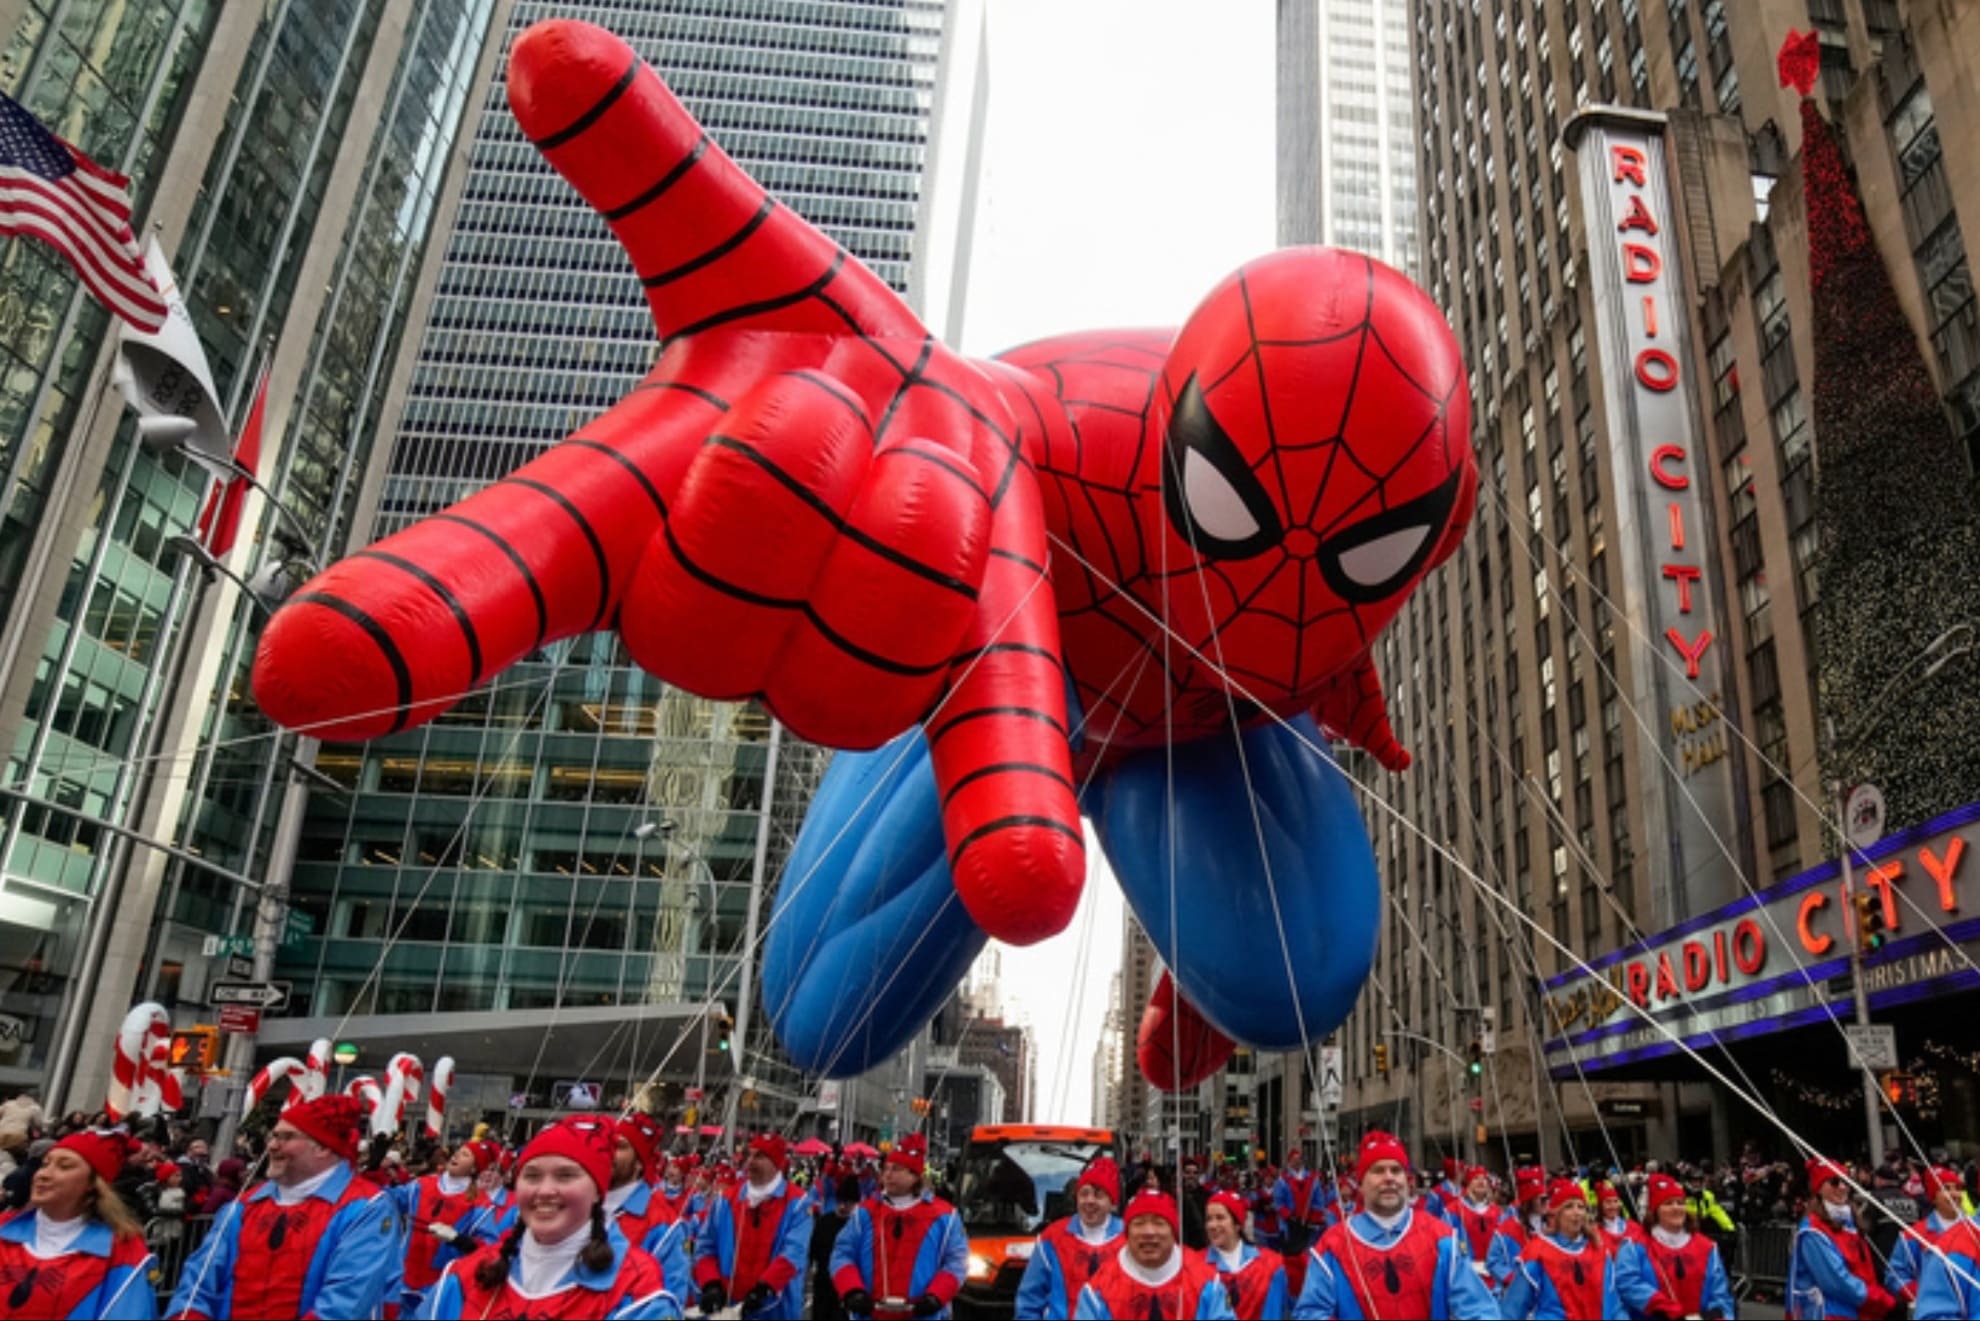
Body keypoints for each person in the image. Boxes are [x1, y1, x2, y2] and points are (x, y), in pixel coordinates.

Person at [417, 1115, 680, 1319]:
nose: (544, 1191)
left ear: (597, 1192)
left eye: (566, 1176)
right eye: (531, 1176)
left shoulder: (636, 1289)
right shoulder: (467, 1275)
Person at [167, 1094, 400, 1319]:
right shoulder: (245, 1204)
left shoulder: (366, 1207)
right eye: (273, 1136)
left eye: (286, 1137)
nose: (271, 1146)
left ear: (323, 1148)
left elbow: (345, 1301)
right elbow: (199, 1280)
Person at [1292, 1132, 1497, 1320]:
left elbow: (1479, 1309)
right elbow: (1310, 1313)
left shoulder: (1441, 1238)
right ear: (1361, 1183)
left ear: (1406, 1181)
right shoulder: (1331, 1247)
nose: (1389, 1178)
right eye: (1378, 1170)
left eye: (1396, 1170)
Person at [0, 1127, 157, 1319]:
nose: (43, 1175)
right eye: (45, 1164)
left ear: (93, 1184)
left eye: (64, 1166)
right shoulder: (4, 1227)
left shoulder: (122, 1249)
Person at [828, 1133, 967, 1319]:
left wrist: (937, 1295)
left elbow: (956, 1261)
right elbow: (842, 1253)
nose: (887, 1174)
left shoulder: (945, 1216)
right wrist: (852, 1290)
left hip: (921, 1314)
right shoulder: (864, 1213)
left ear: (914, 1175)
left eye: (897, 1169)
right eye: (886, 1168)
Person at [691, 1132, 811, 1319]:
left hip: (774, 1310)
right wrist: (710, 1283)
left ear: (776, 1162)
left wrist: (765, 1288)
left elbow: (794, 1252)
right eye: (750, 1155)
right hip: (727, 1309)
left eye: (760, 1156)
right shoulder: (726, 1200)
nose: (751, 1161)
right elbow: (705, 1246)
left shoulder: (797, 1204)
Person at [1074, 1188, 1233, 1319]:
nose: (1149, 1232)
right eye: (1139, 1223)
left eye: (1159, 1223)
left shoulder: (1208, 1281)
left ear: (1174, 1233)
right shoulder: (1097, 1291)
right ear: (1127, 1233)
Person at [394, 1138, 501, 1314]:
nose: (457, 1154)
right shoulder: (422, 1184)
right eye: (459, 1150)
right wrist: (376, 1171)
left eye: (465, 1154)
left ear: (474, 1168)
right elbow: (389, 1200)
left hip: (439, 1285)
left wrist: (459, 1240)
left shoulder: (480, 1203)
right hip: (402, 1278)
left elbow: (489, 1249)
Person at [1015, 1155, 1124, 1320]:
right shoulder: (1053, 1237)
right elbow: (1030, 1299)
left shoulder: (1129, 1239)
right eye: (1084, 1194)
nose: (1090, 1201)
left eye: (1098, 1195)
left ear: (1112, 1201)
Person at [1612, 1172, 1733, 1321]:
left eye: (1680, 1202)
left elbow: (1720, 1294)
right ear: (1655, 1211)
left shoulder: (1707, 1247)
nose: (1676, 1208)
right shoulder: (1634, 1246)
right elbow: (1627, 1283)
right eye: (1668, 1203)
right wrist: (1663, 1307)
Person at [1499, 1178, 1624, 1320]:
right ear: (1556, 1214)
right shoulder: (1537, 1252)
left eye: (1581, 1206)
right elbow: (1514, 1308)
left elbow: (1614, 1305)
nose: (1576, 1212)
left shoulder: (1600, 1251)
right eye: (1569, 1206)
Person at [1788, 1158, 1895, 1320]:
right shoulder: (1813, 1232)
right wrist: (1882, 1300)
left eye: (1845, 1181)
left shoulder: (1850, 1223)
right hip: (1830, 1314)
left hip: (1858, 1312)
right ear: (1819, 1188)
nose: (1843, 1187)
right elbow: (1836, 1282)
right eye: (1834, 1182)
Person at [605, 1115, 692, 1293]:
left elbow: (672, 1296)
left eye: (620, 1146)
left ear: (638, 1163)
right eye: (608, 1143)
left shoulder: (666, 1226)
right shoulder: (581, 1203)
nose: (609, 1151)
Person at [1889, 1165, 1971, 1308]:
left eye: (1957, 1188)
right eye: (1946, 1188)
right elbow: (1895, 1275)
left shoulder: (1974, 1229)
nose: (1954, 1194)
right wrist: (1925, 1296)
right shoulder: (1914, 1235)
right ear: (1933, 1197)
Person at [1203, 1187, 1285, 1319]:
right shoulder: (1197, 1265)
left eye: (1220, 1218)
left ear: (1238, 1225)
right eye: (1209, 1219)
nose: (1212, 1225)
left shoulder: (1271, 1263)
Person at [1443, 1164, 1522, 1290]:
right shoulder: (1453, 1211)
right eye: (1476, 1178)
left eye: (1484, 1178)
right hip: (1467, 1275)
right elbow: (1447, 1243)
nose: (1481, 1182)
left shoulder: (1498, 1212)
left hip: (1495, 1277)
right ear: (1468, 1183)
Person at [810, 1176, 864, 1321]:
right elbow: (812, 1250)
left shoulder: (858, 1226)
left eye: (848, 1203)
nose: (842, 1206)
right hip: (823, 1283)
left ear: (855, 1204)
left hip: (847, 1286)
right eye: (840, 1201)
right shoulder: (824, 1221)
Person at [1274, 1147, 1332, 1258]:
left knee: (1308, 1254)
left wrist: (1313, 1216)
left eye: (1299, 1159)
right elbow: (1278, 1202)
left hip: (1308, 1224)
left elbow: (1319, 1200)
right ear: (1289, 1162)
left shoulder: (1312, 1179)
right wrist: (1289, 1217)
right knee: (1291, 1256)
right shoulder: (1283, 1181)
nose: (1297, 1161)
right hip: (1290, 1225)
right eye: (1294, 1159)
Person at [1595, 1180, 1649, 1255]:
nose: (1613, 1206)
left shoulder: (1633, 1226)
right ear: (1601, 1206)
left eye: (1616, 1201)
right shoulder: (1595, 1232)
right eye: (1608, 1202)